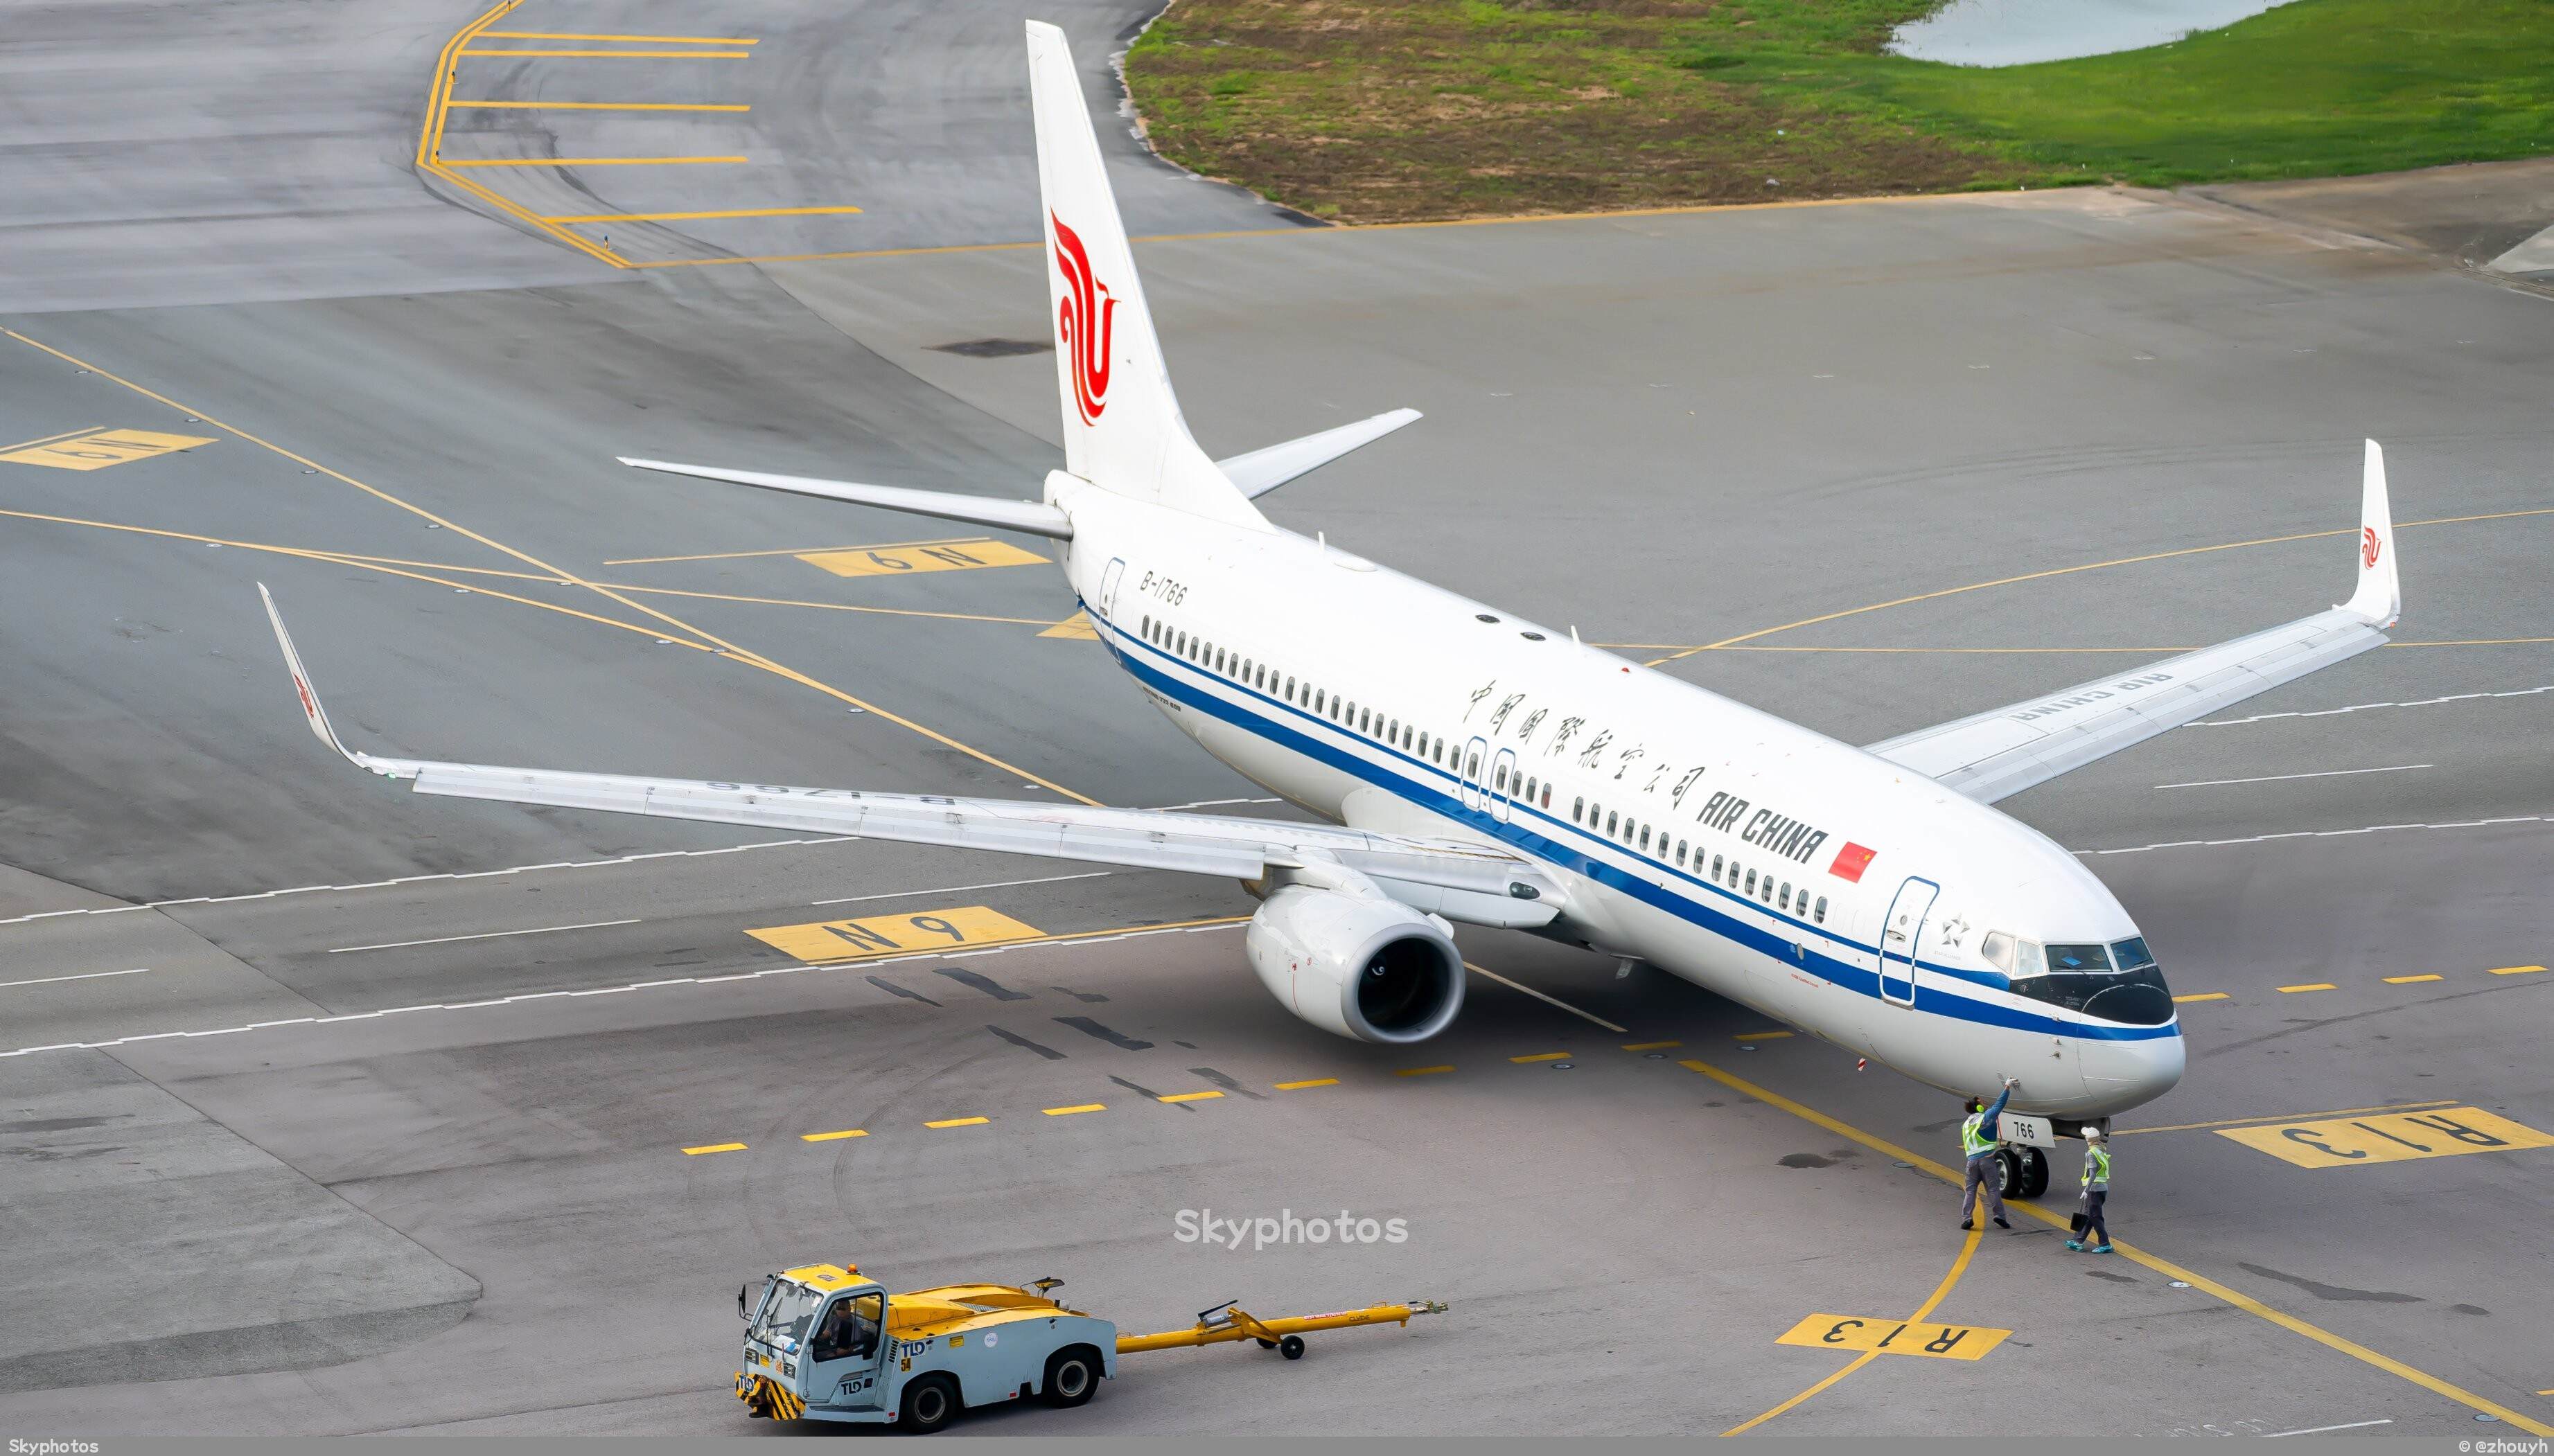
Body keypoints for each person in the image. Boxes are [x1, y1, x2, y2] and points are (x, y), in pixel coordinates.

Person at [1958, 1075, 2020, 1231]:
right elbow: (1999, 1105)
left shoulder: (1966, 1125)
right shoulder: (1984, 1119)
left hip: (1971, 1163)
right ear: (1978, 1108)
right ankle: (2000, 1216)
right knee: (1993, 1189)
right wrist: (2007, 1087)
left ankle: (1967, 1218)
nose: (1985, 1105)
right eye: (1982, 1103)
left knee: (1970, 1190)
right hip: (1987, 1161)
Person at [2067, 1127, 2113, 1253]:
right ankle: (2078, 1241)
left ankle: (2105, 1244)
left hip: (2094, 1189)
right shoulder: (2100, 1150)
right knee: (2088, 1215)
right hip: (2101, 1188)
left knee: (2095, 1217)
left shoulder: (2091, 1154)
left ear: (2088, 1140)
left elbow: (2092, 1175)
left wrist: (2086, 1190)